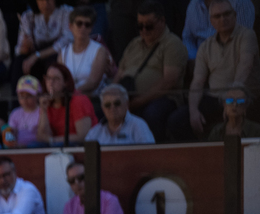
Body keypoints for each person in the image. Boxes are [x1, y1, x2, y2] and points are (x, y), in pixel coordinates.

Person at [168, 0, 260, 141]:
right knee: (178, 120)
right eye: (217, 16)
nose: (222, 19)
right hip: (216, 99)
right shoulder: (205, 47)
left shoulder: (247, 35)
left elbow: (245, 66)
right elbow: (197, 82)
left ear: (235, 15)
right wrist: (193, 111)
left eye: (226, 14)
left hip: (244, 97)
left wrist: (231, 100)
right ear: (211, 21)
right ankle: (202, 158)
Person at [113, 0, 187, 141]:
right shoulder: (134, 43)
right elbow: (119, 74)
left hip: (164, 98)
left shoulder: (172, 44)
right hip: (129, 98)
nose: (144, 30)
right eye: (140, 26)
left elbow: (169, 82)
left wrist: (137, 102)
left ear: (162, 21)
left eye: (149, 26)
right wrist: (114, 98)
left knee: (152, 113)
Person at [13, 0, 72, 82]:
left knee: (53, 61)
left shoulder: (67, 13)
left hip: (55, 54)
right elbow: (19, 49)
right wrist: (25, 47)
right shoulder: (28, 16)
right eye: (41, 0)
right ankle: (20, 92)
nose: (45, 3)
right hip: (35, 54)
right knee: (20, 62)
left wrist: (37, 56)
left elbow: (66, 41)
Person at [57, 5, 109, 96]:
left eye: (87, 24)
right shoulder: (63, 53)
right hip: (69, 100)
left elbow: (93, 82)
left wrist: (71, 92)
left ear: (91, 28)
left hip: (93, 100)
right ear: (71, 26)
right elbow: (59, 79)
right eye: (79, 23)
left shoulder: (99, 50)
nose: (83, 28)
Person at [37, 62, 95, 144]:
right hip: (57, 147)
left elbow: (83, 136)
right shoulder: (46, 101)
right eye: (48, 78)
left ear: (66, 82)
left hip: (79, 147)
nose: (51, 82)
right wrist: (44, 111)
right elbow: (43, 136)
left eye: (56, 79)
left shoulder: (79, 100)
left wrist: (53, 141)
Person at [60, 159, 125, 214]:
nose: (77, 183)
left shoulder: (110, 201)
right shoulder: (69, 206)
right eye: (71, 180)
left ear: (91, 177)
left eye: (81, 177)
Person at [183, 0, 254, 59]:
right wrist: (194, 58)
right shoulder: (195, 3)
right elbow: (188, 37)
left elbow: (240, 41)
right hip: (198, 60)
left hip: (228, 63)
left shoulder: (240, 3)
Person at [86, 83, 155, 142]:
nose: (112, 108)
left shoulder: (139, 126)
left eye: (117, 103)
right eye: (107, 105)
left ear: (126, 104)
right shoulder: (95, 132)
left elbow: (150, 154)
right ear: (103, 109)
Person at [6, 74, 42, 145]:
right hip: (18, 149)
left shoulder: (42, 112)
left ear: (38, 95)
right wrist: (11, 142)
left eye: (29, 96)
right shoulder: (15, 113)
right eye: (22, 96)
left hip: (36, 148)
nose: (25, 99)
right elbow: (10, 133)